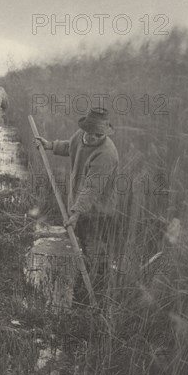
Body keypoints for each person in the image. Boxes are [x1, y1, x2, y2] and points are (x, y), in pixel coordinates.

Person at [35, 107, 119, 291]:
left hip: (98, 212)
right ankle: (84, 288)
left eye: (98, 135)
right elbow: (70, 147)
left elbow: (92, 188)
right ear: (85, 128)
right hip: (79, 206)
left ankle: (96, 294)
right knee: (83, 250)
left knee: (97, 255)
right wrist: (50, 145)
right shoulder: (80, 136)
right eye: (90, 133)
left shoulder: (106, 154)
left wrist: (76, 212)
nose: (93, 138)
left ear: (104, 133)